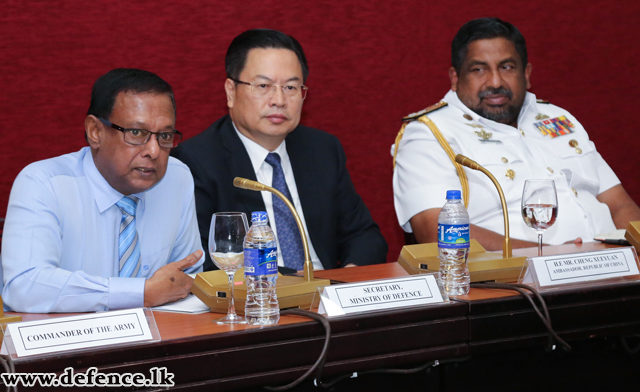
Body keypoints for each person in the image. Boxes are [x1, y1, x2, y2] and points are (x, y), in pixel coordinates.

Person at [392, 17, 640, 250]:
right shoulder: (429, 134)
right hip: (516, 288)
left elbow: (619, 203)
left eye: (507, 67)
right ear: (455, 78)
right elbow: (436, 230)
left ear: (527, 74)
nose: (495, 82)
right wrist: (551, 259)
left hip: (616, 270)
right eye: (479, 69)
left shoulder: (557, 118)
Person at [172, 29, 387, 271]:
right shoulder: (196, 161)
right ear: (231, 92)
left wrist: (348, 277)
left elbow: (364, 236)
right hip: (259, 299)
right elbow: (206, 259)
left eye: (291, 88)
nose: (279, 100)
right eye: (263, 85)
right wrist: (301, 285)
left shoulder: (322, 150)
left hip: (328, 291)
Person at [0, 68, 205, 313]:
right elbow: (24, 286)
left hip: (151, 341)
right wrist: (139, 294)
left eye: (165, 135)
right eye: (136, 133)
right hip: (55, 343)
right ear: (95, 131)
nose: (154, 151)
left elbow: (184, 277)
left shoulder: (176, 178)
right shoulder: (44, 183)